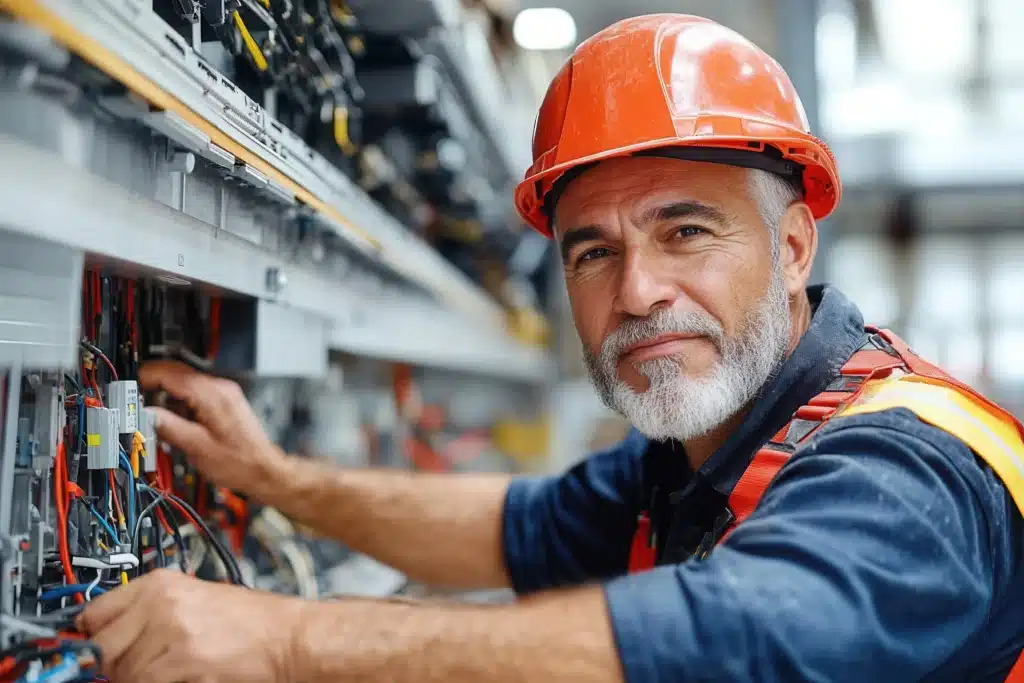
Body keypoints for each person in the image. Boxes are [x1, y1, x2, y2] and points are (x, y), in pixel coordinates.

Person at [79, 13, 1024, 683]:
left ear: (791, 246)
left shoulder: (906, 468)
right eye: (593, 251)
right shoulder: (703, 455)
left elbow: (736, 640)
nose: (638, 290)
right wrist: (275, 475)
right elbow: (516, 528)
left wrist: (289, 643)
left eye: (686, 232)